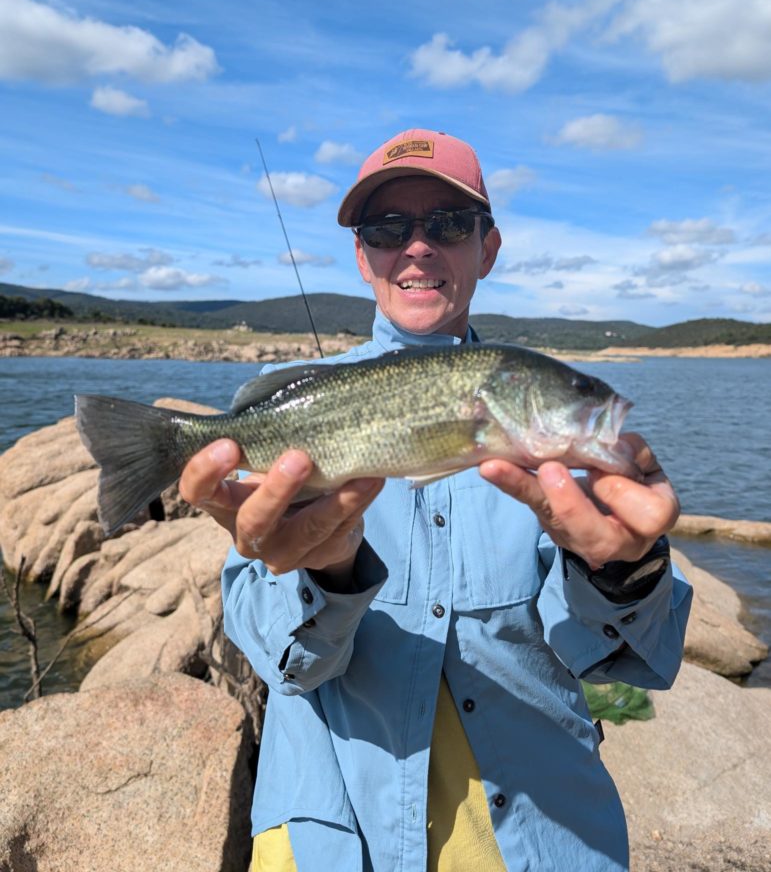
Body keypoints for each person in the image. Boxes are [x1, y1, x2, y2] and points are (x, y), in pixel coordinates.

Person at [180, 129, 692, 872]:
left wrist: (623, 571)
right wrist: (325, 571)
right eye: (387, 229)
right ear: (363, 257)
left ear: (487, 248)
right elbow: (276, 657)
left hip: (536, 832)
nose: (416, 247)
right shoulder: (301, 411)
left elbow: (627, 659)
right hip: (334, 832)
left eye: (449, 224)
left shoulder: (558, 452)